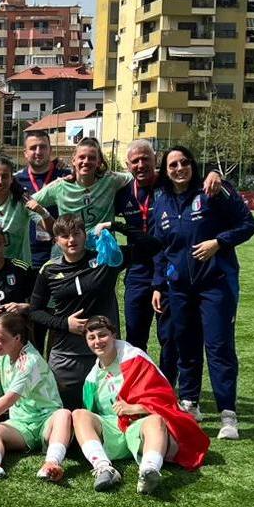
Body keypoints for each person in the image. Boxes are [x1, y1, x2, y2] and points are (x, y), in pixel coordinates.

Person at [151, 146, 254, 439]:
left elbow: (248, 224)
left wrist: (219, 242)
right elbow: (160, 249)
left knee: (219, 346)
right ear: (166, 170)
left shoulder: (213, 190)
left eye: (184, 162)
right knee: (185, 344)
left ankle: (227, 414)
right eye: (173, 164)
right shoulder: (162, 203)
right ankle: (191, 403)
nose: (179, 168)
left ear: (193, 165)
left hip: (216, 284)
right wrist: (159, 284)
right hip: (179, 289)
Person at [72, 316, 209, 494]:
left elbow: (166, 400)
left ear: (113, 335)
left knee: (156, 420)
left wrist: (136, 408)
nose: (98, 341)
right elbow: (92, 413)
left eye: (102, 335)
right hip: (113, 429)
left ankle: (149, 470)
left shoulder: (135, 360)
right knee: (79, 414)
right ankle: (104, 468)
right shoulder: (93, 376)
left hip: (139, 428)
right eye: (92, 338)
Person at [0, 312, 72, 484]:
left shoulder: (29, 360)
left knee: (64, 415)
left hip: (47, 422)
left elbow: (10, 398)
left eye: (0, 339)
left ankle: (52, 463)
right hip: (21, 425)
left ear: (17, 338)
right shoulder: (4, 358)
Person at [29, 214, 128, 410]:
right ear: (56, 240)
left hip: (102, 352)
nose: (71, 240)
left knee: (107, 411)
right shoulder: (49, 269)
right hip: (67, 354)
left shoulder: (104, 261)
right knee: (63, 412)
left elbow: (152, 246)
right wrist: (65, 324)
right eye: (64, 236)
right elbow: (35, 311)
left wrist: (113, 224)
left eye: (76, 233)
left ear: (85, 235)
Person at [112, 140, 178, 383]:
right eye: (135, 161)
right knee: (135, 335)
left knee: (169, 335)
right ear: (128, 165)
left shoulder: (171, 185)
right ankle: (140, 386)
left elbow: (196, 178)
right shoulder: (122, 194)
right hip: (138, 270)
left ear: (155, 158)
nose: (141, 165)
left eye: (145, 159)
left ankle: (168, 386)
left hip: (168, 269)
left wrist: (214, 172)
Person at [14, 131, 71, 269]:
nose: (38, 152)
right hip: (28, 253)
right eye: (33, 148)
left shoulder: (66, 177)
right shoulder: (15, 181)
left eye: (43, 147)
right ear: (25, 153)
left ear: (50, 150)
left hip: (62, 250)